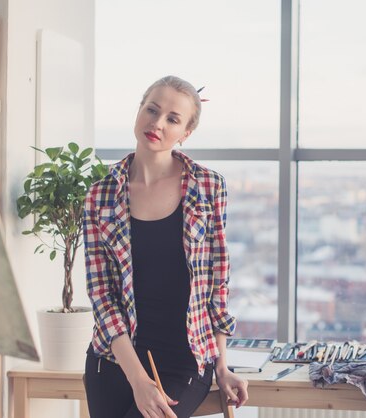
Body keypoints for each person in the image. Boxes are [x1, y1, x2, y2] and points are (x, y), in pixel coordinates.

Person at [83, 75, 248, 418]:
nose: (157, 123)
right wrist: (138, 379)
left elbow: (217, 285)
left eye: (172, 119)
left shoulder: (208, 187)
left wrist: (221, 367)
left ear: (185, 134)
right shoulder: (99, 195)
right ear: (139, 110)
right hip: (115, 360)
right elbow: (101, 294)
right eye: (152, 110)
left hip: (182, 361)